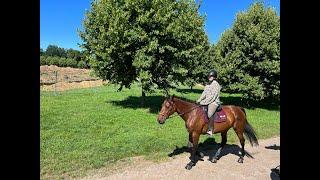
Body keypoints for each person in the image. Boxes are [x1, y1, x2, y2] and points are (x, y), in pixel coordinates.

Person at [196, 70, 221, 136]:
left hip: (214, 102)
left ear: (214, 77)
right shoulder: (207, 84)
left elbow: (213, 96)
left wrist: (204, 102)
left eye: (211, 76)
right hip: (207, 101)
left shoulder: (216, 85)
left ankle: (210, 130)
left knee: (209, 113)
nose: (209, 77)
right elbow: (204, 93)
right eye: (209, 76)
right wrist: (199, 99)